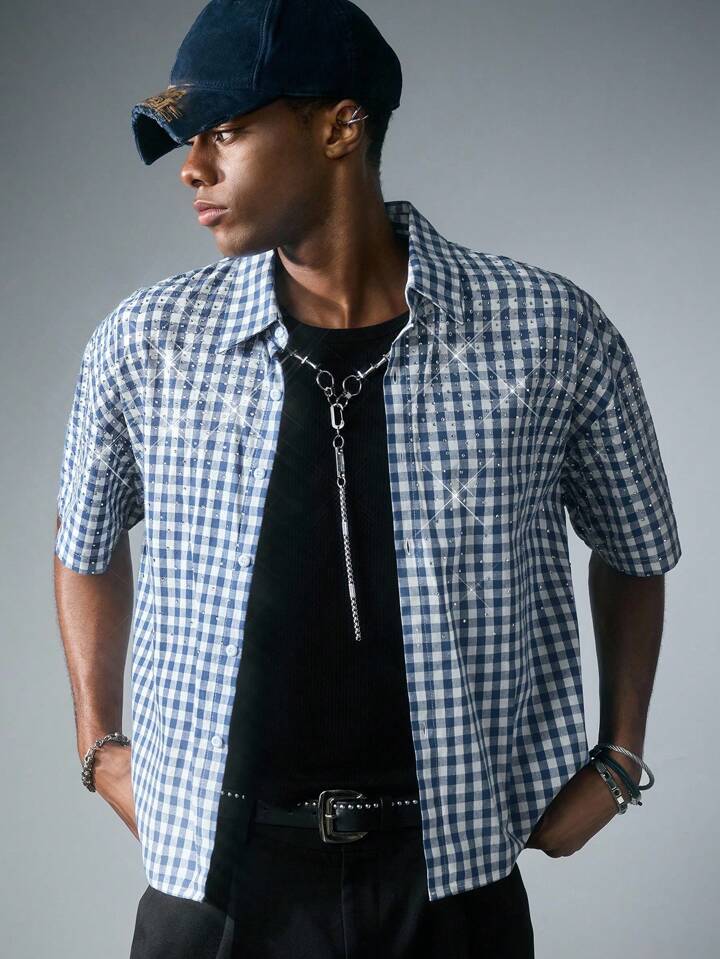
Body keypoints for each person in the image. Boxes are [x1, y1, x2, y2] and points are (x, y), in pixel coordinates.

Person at [53, 1, 681, 956]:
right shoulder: (150, 343)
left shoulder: (545, 330)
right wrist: (100, 747)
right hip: (218, 883)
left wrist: (620, 756)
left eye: (226, 130)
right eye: (189, 138)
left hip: (451, 877)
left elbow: (637, 546)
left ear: (340, 127)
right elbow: (84, 543)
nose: (192, 167)